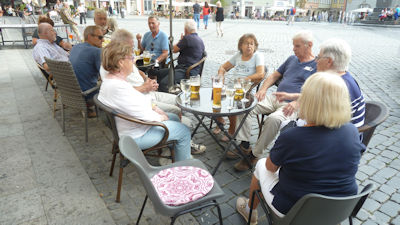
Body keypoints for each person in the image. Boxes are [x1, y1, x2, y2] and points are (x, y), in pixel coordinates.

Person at [235, 72, 365, 224]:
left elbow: (270, 167)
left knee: (261, 164)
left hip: (295, 211)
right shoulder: (352, 131)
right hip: (340, 210)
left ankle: (250, 211)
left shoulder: (293, 136)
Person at [100, 29, 206, 154]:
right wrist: (161, 117)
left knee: (174, 116)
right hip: (137, 134)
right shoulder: (118, 86)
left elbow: (136, 102)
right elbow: (143, 114)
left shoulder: (114, 80)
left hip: (136, 122)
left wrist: (154, 106)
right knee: (182, 130)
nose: (134, 60)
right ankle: (178, 163)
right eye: (131, 57)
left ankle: (173, 151)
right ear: (121, 62)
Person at [232, 31, 317, 171]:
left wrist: (297, 102)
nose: (293, 49)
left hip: (292, 104)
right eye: (293, 45)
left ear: (309, 45)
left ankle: (254, 155)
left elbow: (315, 93)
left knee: (273, 120)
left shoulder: (316, 66)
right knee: (244, 106)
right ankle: (245, 145)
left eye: (297, 46)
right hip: (274, 97)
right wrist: (263, 89)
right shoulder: (291, 59)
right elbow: (274, 76)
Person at [275, 38, 365, 128]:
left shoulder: (334, 86)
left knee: (285, 128)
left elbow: (319, 123)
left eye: (318, 57)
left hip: (334, 137)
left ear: (329, 61)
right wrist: (293, 96)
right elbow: (318, 98)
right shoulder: (344, 78)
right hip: (342, 133)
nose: (316, 61)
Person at [215, 34, 264, 142]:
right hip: (231, 85)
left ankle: (232, 130)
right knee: (215, 95)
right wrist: (220, 77)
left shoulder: (257, 56)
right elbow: (223, 67)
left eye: (252, 44)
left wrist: (245, 79)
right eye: (246, 43)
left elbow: (261, 74)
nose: (249, 46)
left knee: (233, 101)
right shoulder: (238, 55)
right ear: (240, 46)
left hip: (244, 88)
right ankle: (220, 120)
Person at [154, 20, 205, 92]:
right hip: (192, 69)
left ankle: (168, 96)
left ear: (185, 29)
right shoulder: (200, 39)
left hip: (186, 71)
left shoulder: (187, 38)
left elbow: (173, 50)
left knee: (164, 83)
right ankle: (161, 92)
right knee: (160, 73)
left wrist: (180, 40)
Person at [69, 25, 104, 117]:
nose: (103, 40)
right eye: (100, 37)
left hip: (72, 92)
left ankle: (88, 109)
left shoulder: (76, 47)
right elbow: (105, 75)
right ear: (89, 37)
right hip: (87, 94)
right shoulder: (96, 51)